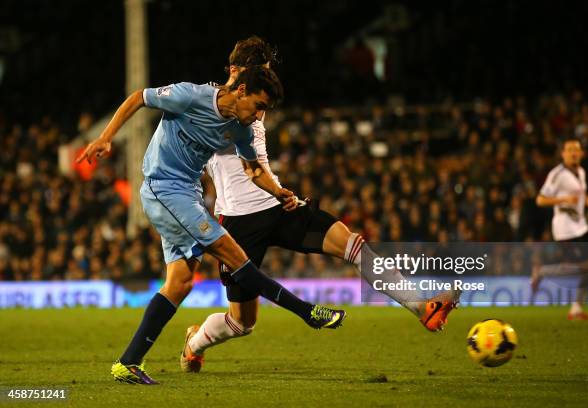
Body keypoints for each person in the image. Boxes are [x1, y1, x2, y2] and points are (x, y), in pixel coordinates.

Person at [179, 37, 460, 374]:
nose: (266, 89)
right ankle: (194, 344)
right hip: (237, 221)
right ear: (238, 72)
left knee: (351, 243)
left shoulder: (255, 99)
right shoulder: (205, 101)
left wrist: (280, 191)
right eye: (261, 74)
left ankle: (422, 308)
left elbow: (256, 163)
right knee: (242, 323)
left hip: (277, 203)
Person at [77, 65, 346, 385]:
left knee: (180, 282)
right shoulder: (190, 96)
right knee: (234, 256)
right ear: (242, 90)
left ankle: (128, 363)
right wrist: (106, 138)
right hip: (163, 189)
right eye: (259, 106)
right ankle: (308, 313)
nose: (260, 116)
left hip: (187, 194)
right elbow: (139, 97)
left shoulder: (241, 128)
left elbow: (253, 170)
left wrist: (278, 192)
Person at [533, 138, 588, 319]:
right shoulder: (557, 174)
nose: (574, 153)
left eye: (577, 149)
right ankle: (542, 271)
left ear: (582, 153)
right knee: (585, 266)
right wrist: (563, 200)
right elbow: (540, 199)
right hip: (565, 230)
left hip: (581, 227)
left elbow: (583, 197)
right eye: (569, 150)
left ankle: (576, 308)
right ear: (563, 154)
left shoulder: (581, 172)